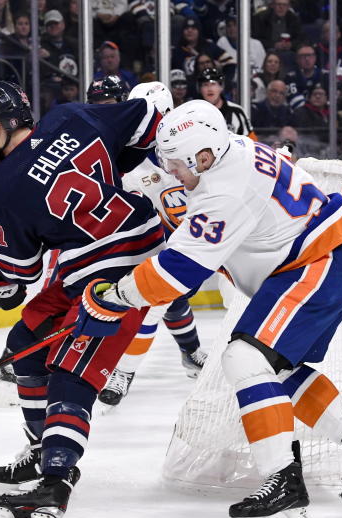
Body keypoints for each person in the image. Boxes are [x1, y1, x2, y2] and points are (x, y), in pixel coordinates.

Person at [75, 100, 342, 518]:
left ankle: (285, 491)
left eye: (177, 163)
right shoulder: (228, 152)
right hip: (323, 260)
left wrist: (118, 294)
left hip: (316, 263)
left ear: (203, 156)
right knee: (275, 369)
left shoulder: (224, 189)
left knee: (243, 359)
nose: (172, 172)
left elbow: (179, 273)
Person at [0, 80, 171, 518]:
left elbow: (19, 271)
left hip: (120, 279)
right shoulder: (71, 116)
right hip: (137, 249)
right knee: (25, 345)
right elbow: (148, 122)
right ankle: (42, 450)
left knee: (73, 370)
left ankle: (55, 484)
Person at [84, 80, 208, 409]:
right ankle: (128, 370)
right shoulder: (127, 160)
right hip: (151, 247)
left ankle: (189, 354)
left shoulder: (192, 152)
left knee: (169, 301)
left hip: (195, 243)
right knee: (157, 303)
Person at [197, 67, 256, 139]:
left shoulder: (237, 111)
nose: (210, 89)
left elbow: (252, 141)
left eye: (213, 84)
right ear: (200, 89)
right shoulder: (194, 113)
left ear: (221, 87)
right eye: (205, 85)